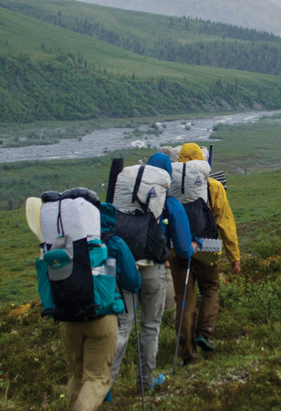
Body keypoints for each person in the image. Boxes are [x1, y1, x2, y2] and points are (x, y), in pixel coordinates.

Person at [109, 152, 197, 396]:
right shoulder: (170, 204)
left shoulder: (125, 199)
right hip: (153, 268)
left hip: (124, 264)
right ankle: (145, 384)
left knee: (123, 327)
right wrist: (193, 247)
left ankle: (103, 386)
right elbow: (182, 248)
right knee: (150, 327)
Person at [60, 202, 141, 411]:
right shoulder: (114, 242)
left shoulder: (67, 242)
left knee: (77, 377)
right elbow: (133, 282)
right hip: (102, 318)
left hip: (68, 317)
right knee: (96, 379)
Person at [170, 143, 241, 365]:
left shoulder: (169, 185)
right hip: (206, 249)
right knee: (210, 288)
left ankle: (188, 353)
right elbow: (225, 223)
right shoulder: (213, 186)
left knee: (184, 300)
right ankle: (205, 331)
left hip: (176, 249)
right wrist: (234, 257)